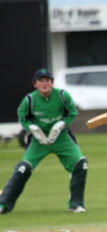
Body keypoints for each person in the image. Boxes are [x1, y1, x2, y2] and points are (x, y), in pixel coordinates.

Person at [0, 69, 88, 214]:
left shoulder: (62, 95)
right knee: (23, 169)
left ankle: (76, 204)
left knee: (81, 164)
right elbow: (23, 117)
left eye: (47, 80)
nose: (44, 83)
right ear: (35, 84)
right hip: (38, 140)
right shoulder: (29, 100)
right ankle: (3, 204)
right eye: (41, 80)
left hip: (61, 137)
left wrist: (62, 124)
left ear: (52, 83)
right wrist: (32, 128)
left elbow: (72, 113)